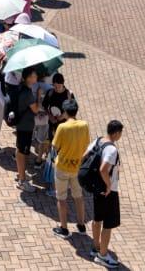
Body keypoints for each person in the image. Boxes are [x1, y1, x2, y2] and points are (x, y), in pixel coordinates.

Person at [49, 98, 90, 238]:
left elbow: (55, 146)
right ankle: (81, 225)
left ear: (65, 112)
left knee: (61, 198)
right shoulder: (84, 125)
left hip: (62, 167)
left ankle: (64, 228)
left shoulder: (62, 127)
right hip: (78, 167)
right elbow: (87, 145)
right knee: (78, 197)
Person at [91, 120, 124, 266]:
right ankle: (103, 256)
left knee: (97, 218)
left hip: (97, 188)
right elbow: (103, 169)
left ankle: (96, 247)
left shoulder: (98, 141)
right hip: (108, 191)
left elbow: (85, 155)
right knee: (108, 224)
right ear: (116, 133)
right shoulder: (112, 150)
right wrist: (109, 185)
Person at [9, 67, 43, 189]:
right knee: (22, 152)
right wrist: (39, 97)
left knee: (20, 149)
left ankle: (21, 174)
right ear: (28, 78)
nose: (36, 77)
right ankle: (22, 180)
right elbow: (35, 109)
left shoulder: (21, 88)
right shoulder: (28, 93)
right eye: (34, 76)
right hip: (25, 126)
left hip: (22, 124)